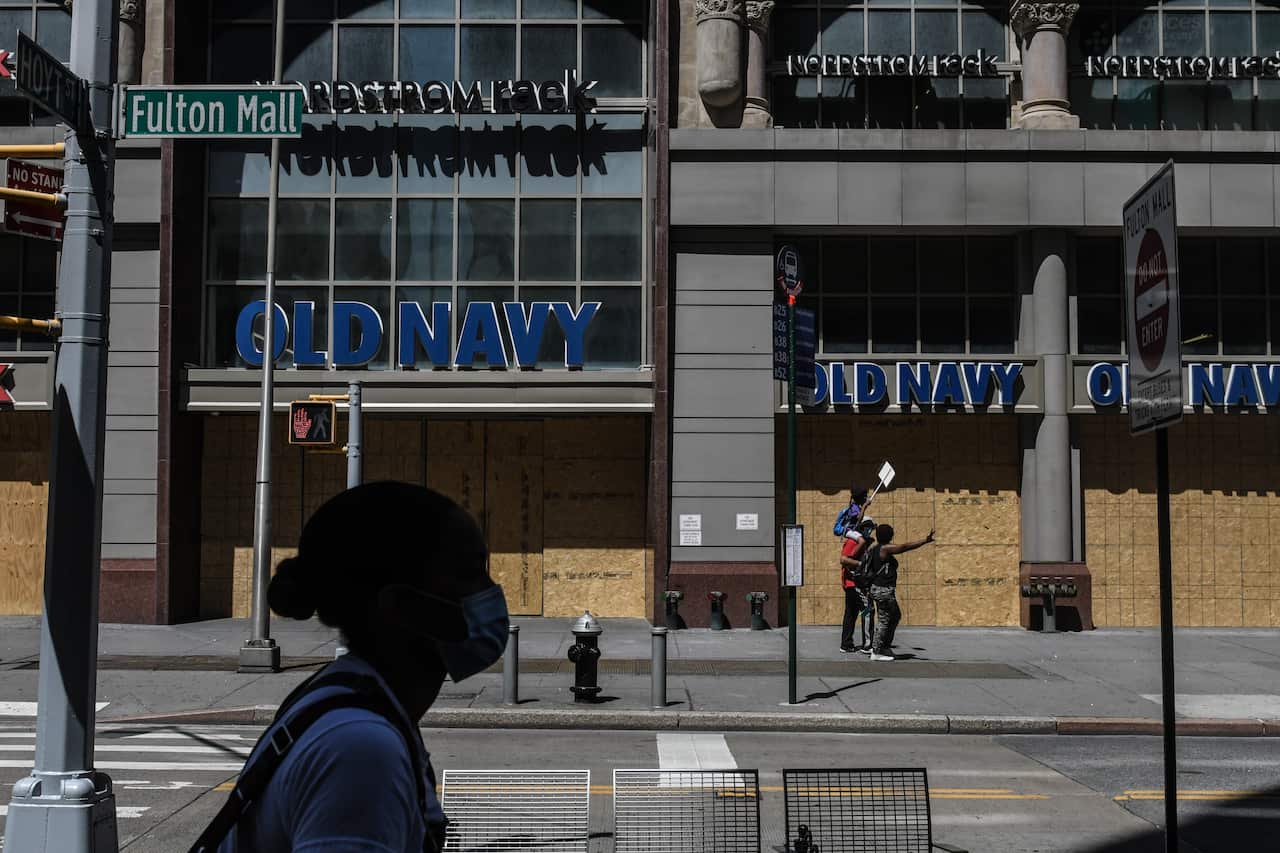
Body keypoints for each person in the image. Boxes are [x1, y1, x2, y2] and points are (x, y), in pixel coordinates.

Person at [191, 482, 508, 853]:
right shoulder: (360, 751)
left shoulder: (350, 695)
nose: (491, 592)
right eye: (470, 574)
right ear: (401, 605)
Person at [865, 523, 935, 662]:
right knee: (884, 620)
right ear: (889, 536)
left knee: (895, 616)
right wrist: (925, 540)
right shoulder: (884, 548)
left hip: (878, 589)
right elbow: (903, 547)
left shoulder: (874, 549)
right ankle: (877, 651)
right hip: (883, 590)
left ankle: (883, 646)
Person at [838, 517, 875, 653]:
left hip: (853, 583)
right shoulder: (853, 541)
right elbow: (843, 559)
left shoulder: (861, 542)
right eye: (869, 528)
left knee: (851, 614)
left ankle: (846, 644)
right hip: (854, 583)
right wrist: (862, 565)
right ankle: (868, 645)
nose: (870, 531)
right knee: (868, 610)